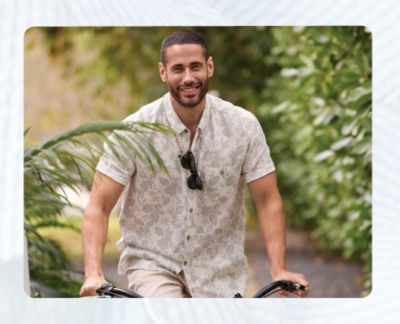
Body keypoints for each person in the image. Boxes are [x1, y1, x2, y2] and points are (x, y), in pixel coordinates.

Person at [79, 29, 309, 298]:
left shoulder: (243, 126)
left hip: (220, 272)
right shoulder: (133, 131)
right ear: (163, 72)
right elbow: (98, 206)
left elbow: (268, 200)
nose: (188, 78)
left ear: (209, 67)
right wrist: (93, 274)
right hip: (153, 265)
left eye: (195, 67)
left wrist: (279, 270)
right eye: (178, 69)